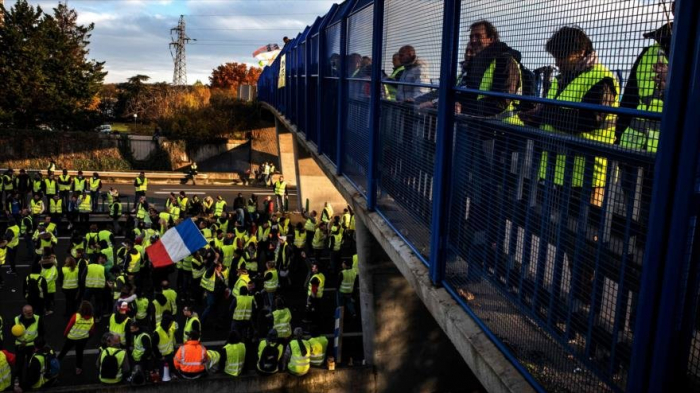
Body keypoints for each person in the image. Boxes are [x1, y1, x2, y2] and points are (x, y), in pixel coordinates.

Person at [616, 1, 673, 143]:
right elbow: (630, 96)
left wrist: (674, 82)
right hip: (632, 151)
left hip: (672, 154)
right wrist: (617, 134)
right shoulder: (648, 53)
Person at [58, 301, 95, 375]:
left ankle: (56, 362)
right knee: (79, 353)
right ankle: (78, 368)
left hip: (72, 338)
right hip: (83, 339)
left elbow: (69, 326)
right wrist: (89, 336)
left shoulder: (76, 316)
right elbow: (92, 330)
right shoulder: (91, 319)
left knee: (64, 350)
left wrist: (65, 334)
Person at [14, 305, 45, 383]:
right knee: (19, 366)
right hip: (20, 345)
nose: (30, 314)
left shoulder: (38, 318)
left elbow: (42, 332)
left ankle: (29, 380)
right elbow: (13, 331)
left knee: (30, 364)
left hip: (32, 345)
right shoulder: (16, 319)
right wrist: (16, 335)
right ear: (23, 312)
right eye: (28, 312)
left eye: (31, 312)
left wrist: (38, 343)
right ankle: (19, 382)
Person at [152, 314, 177, 379]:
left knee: (169, 374)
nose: (171, 324)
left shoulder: (169, 330)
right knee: (162, 375)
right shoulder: (157, 333)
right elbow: (154, 346)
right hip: (162, 358)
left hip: (170, 355)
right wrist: (159, 356)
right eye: (170, 323)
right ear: (167, 323)